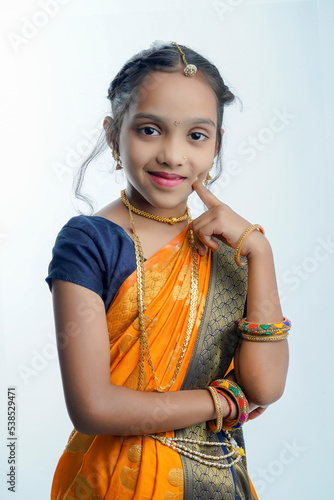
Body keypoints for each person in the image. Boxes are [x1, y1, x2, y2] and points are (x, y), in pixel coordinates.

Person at [45, 41, 289, 499]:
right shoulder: (91, 241)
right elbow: (93, 406)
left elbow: (265, 385)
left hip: (217, 480)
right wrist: (222, 402)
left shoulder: (230, 244)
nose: (173, 155)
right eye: (150, 130)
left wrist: (261, 251)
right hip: (115, 480)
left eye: (197, 135)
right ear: (113, 133)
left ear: (216, 145)